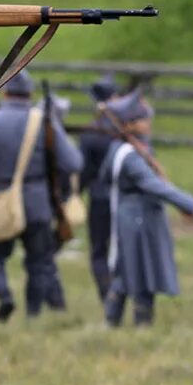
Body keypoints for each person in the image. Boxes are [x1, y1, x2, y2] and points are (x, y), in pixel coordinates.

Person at [0, 69, 82, 323]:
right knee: (40, 264)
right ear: (30, 94)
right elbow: (72, 162)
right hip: (37, 204)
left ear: (5, 93)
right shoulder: (43, 121)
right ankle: (33, 316)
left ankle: (5, 297)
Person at [98, 91, 193, 327]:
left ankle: (112, 322)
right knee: (139, 272)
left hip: (135, 216)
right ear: (130, 124)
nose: (149, 123)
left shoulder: (129, 149)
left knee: (126, 272)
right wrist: (188, 204)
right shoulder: (129, 155)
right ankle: (139, 325)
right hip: (136, 219)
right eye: (143, 119)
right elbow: (152, 185)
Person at [79, 74, 119, 300]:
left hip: (99, 198)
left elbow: (83, 171)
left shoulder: (91, 133)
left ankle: (108, 296)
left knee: (99, 252)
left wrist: (73, 195)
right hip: (124, 197)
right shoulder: (126, 132)